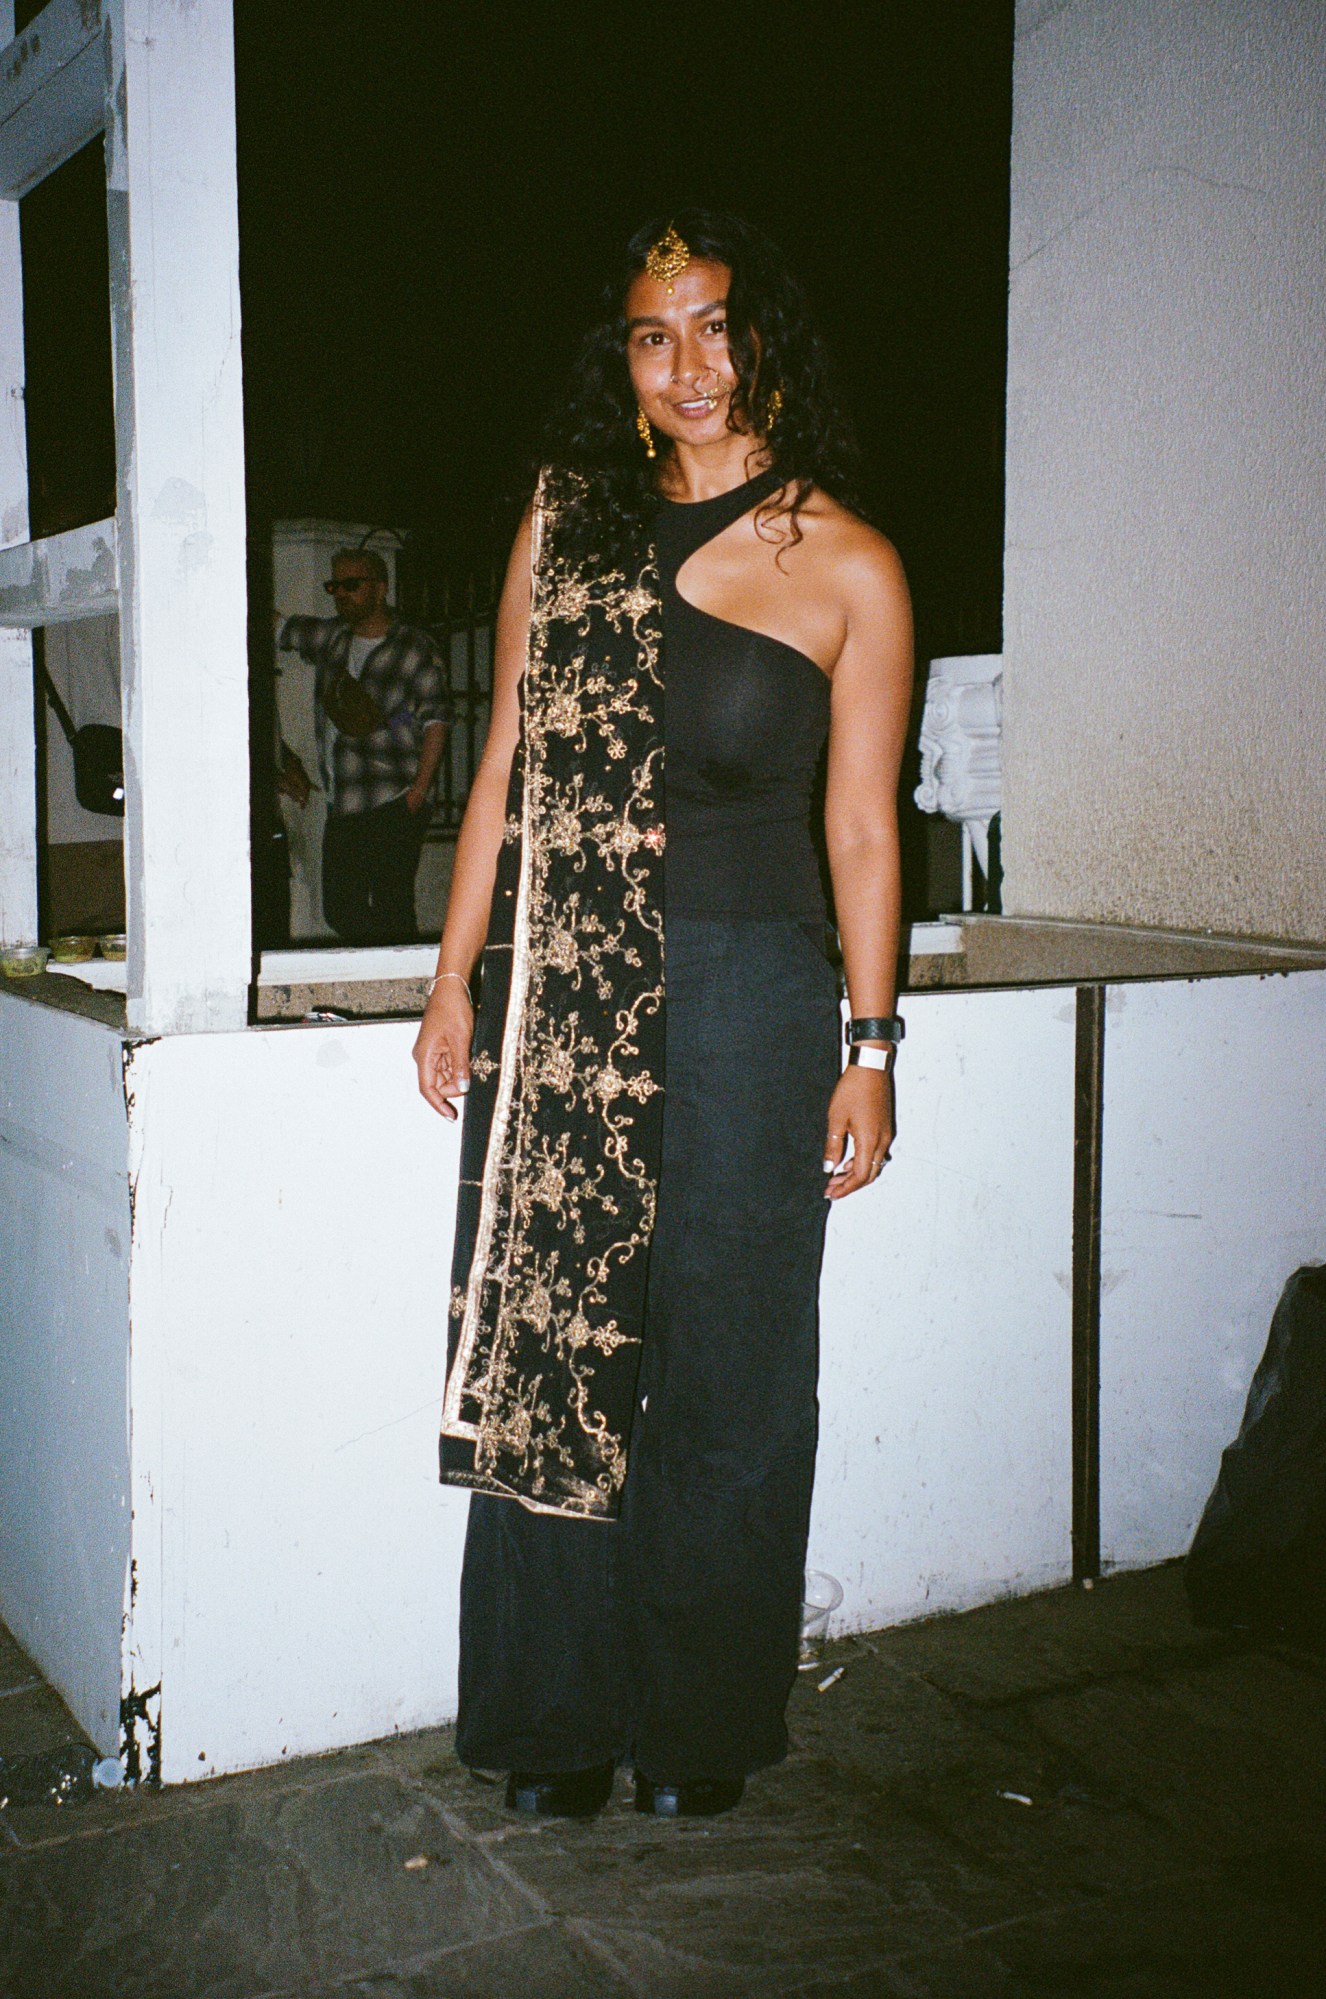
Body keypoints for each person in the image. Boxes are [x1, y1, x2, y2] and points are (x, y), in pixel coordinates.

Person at [412, 211, 913, 1821]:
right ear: (618, 362)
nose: (687, 364)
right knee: (555, 1348)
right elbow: (502, 761)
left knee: (728, 1366)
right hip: (562, 991)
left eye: (713, 326)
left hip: (757, 999)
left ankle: (698, 1725)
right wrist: (448, 977)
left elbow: (860, 828)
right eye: (651, 332)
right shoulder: (568, 524)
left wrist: (871, 1046)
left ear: (762, 338)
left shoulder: (846, 560)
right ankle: (552, 1717)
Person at [278, 549, 450, 943]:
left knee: (392, 906)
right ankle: (389, 965)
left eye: (353, 585)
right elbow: (279, 628)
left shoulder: (412, 646)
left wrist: (418, 794)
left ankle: (403, 990)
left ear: (380, 589)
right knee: (339, 908)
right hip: (346, 800)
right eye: (335, 586)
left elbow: (436, 720)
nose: (341, 594)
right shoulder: (331, 638)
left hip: (395, 795)